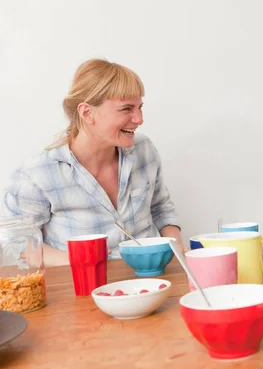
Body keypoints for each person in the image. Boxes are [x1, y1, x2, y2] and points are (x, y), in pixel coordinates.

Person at [1, 59, 184, 266]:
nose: (139, 119)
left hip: (152, 276)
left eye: (140, 107)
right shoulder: (37, 174)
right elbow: (20, 243)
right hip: (81, 288)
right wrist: (84, 261)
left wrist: (177, 252)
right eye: (127, 109)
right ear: (87, 113)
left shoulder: (144, 150)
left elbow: (160, 208)